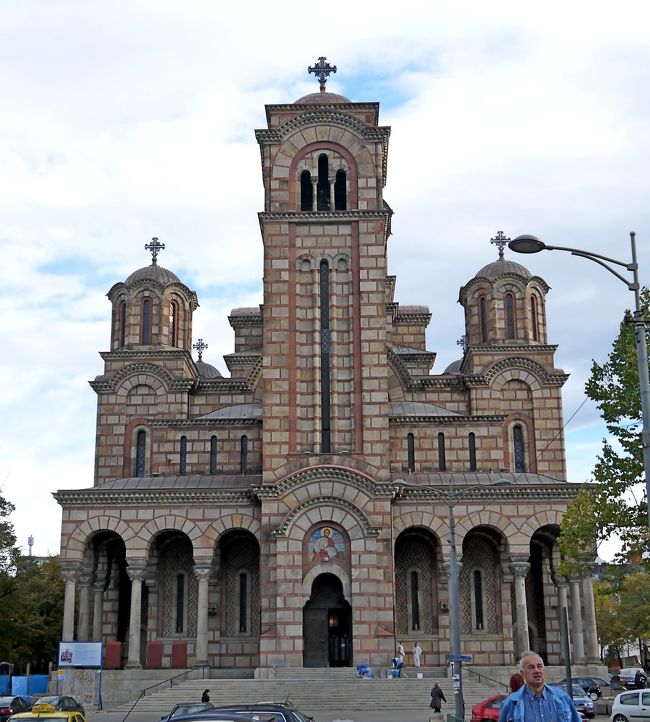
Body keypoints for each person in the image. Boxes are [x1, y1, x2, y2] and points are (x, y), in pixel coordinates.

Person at [498, 651, 581, 722]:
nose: (537, 671)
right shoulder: (511, 703)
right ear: (522, 673)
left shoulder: (562, 697)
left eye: (539, 666)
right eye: (531, 667)